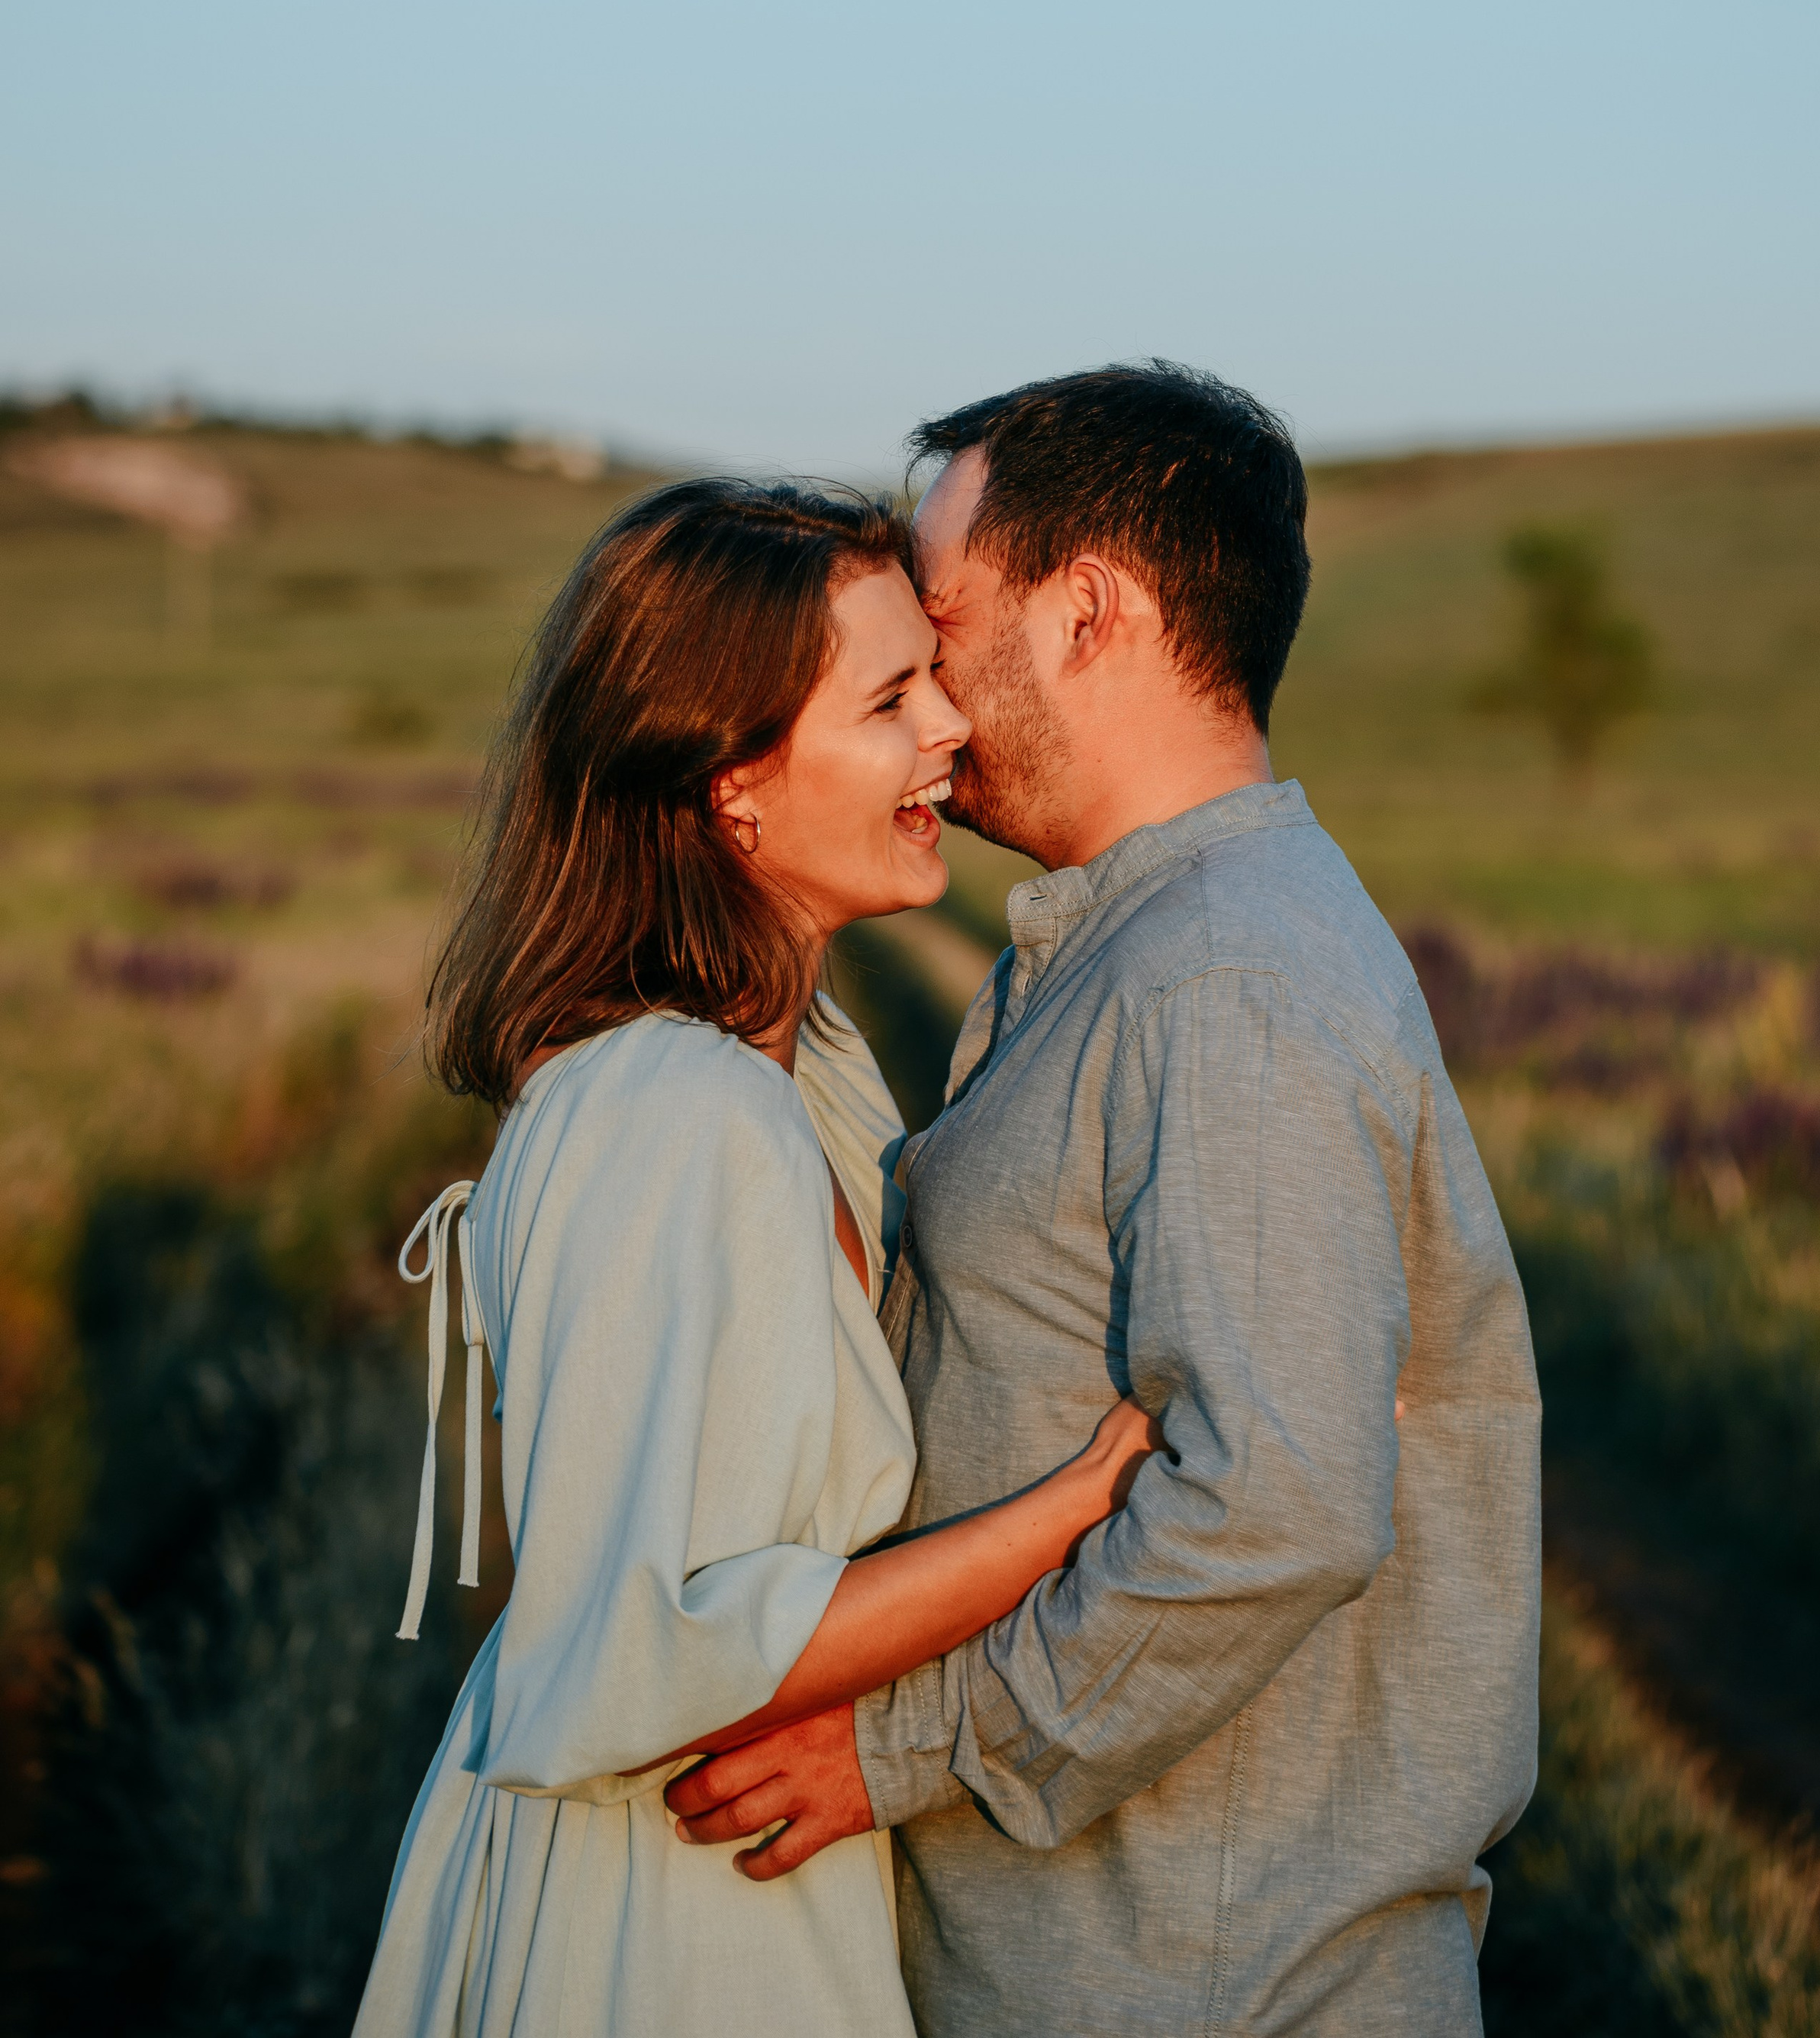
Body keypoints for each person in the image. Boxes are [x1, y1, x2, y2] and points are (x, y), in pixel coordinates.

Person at [668, 366, 1543, 2036]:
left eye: (938, 623)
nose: (921, 696)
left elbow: (1269, 1506)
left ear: (1086, 611)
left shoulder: (1222, 981)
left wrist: (894, 1750)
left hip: (1209, 1984)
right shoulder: (1158, 946)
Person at [353, 479, 1160, 2038]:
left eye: (928, 675)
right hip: (665, 1906)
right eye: (887, 698)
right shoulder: (679, 1106)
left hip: (722, 1854)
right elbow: (656, 1642)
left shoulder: (799, 1066)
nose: (947, 730)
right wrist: (1084, 1505)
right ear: (732, 782)